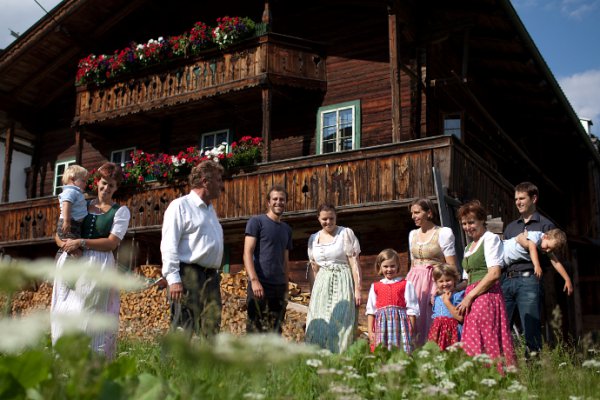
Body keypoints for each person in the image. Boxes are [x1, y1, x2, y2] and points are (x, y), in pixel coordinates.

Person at [51, 162, 131, 359]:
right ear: (97, 182)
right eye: (103, 183)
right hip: (71, 260)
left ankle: (93, 366)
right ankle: (63, 362)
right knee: (64, 312)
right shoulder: (81, 203)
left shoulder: (120, 212)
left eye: (111, 185)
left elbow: (112, 243)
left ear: (116, 188)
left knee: (91, 315)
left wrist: (82, 242)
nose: (106, 188)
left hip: (99, 265)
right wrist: (65, 246)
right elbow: (58, 233)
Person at [161, 160, 225, 337]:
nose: (222, 185)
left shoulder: (210, 211)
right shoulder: (180, 206)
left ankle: (206, 365)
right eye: (219, 180)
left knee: (211, 329)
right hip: (188, 274)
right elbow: (168, 244)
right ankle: (171, 365)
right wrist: (173, 278)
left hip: (210, 276)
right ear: (206, 181)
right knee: (184, 326)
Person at [501, 181, 564, 353]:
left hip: (529, 279)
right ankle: (503, 368)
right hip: (506, 279)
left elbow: (550, 257)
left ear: (534, 198)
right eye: (516, 199)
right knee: (501, 326)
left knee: (531, 328)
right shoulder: (511, 227)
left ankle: (533, 372)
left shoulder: (546, 226)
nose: (518, 202)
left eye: (522, 198)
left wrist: (529, 245)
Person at [456, 200, 515, 370]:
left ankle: (495, 376)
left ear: (482, 220)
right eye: (464, 223)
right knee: (473, 338)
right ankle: (478, 378)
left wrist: (469, 296)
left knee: (485, 338)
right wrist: (450, 289)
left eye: (471, 222)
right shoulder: (469, 247)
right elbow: (467, 280)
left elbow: (494, 273)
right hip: (472, 295)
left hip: (486, 295)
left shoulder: (490, 239)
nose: (468, 227)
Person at [305, 204, 362, 353]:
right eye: (324, 219)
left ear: (336, 217)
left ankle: (340, 360)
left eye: (331, 218)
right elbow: (314, 268)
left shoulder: (345, 233)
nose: (328, 222)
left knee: (340, 320)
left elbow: (354, 263)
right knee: (318, 322)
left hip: (342, 280)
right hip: (321, 284)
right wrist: (313, 294)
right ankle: (317, 359)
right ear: (318, 218)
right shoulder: (313, 239)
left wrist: (357, 289)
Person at [406, 198, 457, 346]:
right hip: (414, 280)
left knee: (431, 318)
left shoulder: (443, 233)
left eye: (417, 212)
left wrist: (445, 288)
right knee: (413, 316)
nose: (413, 216)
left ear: (429, 213)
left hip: (434, 281)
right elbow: (413, 262)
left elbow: (451, 265)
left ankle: (432, 352)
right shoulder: (413, 234)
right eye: (412, 213)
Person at [243, 185, 293, 334]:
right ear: (268, 203)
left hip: (279, 287)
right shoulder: (256, 222)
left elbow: (285, 260)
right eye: (275, 199)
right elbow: (247, 253)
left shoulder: (287, 229)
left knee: (275, 332)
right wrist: (254, 280)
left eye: (282, 199)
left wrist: (286, 287)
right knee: (255, 331)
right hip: (261, 285)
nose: (279, 202)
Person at [366, 248, 418, 353]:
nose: (389, 269)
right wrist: (370, 331)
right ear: (380, 267)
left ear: (398, 266)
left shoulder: (406, 284)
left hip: (401, 324)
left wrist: (411, 328)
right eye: (385, 266)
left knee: (401, 351)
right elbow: (371, 311)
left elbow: (412, 309)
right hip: (382, 325)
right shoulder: (375, 286)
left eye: (392, 266)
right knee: (382, 351)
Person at [504, 228, 573, 295]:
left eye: (551, 250)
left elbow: (556, 263)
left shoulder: (545, 244)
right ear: (545, 237)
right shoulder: (536, 236)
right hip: (503, 250)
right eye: (548, 246)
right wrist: (537, 265)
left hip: (505, 261)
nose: (548, 251)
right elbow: (532, 247)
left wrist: (567, 279)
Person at [427, 263, 464, 350]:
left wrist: (447, 301)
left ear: (454, 280)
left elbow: (460, 317)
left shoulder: (458, 296)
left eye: (448, 280)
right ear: (436, 282)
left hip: (453, 331)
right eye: (441, 281)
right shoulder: (436, 298)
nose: (445, 284)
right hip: (437, 332)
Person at [57, 164, 88, 256]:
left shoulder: (75, 192)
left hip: (74, 224)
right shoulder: (71, 191)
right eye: (83, 181)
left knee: (74, 247)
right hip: (70, 224)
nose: (85, 184)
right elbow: (66, 204)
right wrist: (67, 221)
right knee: (72, 248)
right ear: (72, 178)